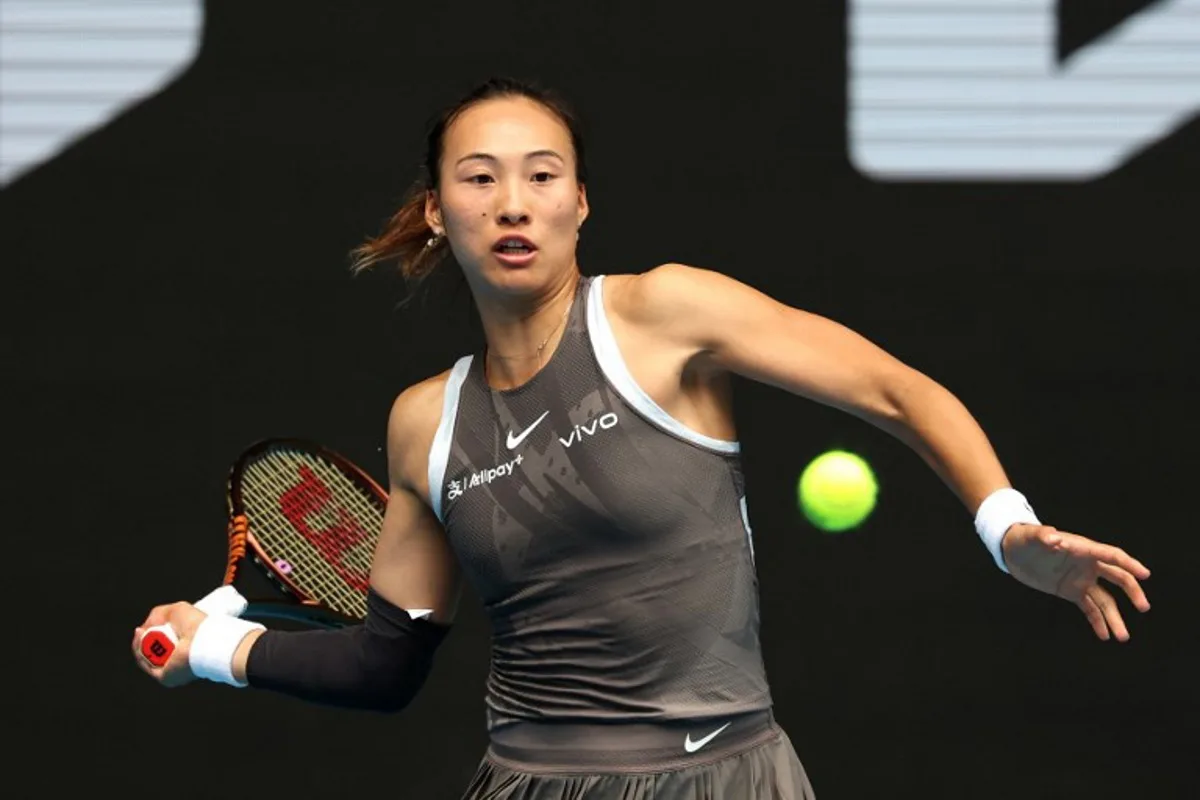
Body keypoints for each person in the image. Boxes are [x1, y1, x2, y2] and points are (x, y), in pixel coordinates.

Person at [132, 77, 1152, 799]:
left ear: (581, 200)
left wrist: (1010, 532)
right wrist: (214, 644)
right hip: (527, 781)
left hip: (730, 777)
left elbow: (896, 388)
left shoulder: (665, 315)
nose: (514, 202)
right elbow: (385, 665)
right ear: (437, 212)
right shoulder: (423, 422)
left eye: (542, 175)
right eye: (479, 179)